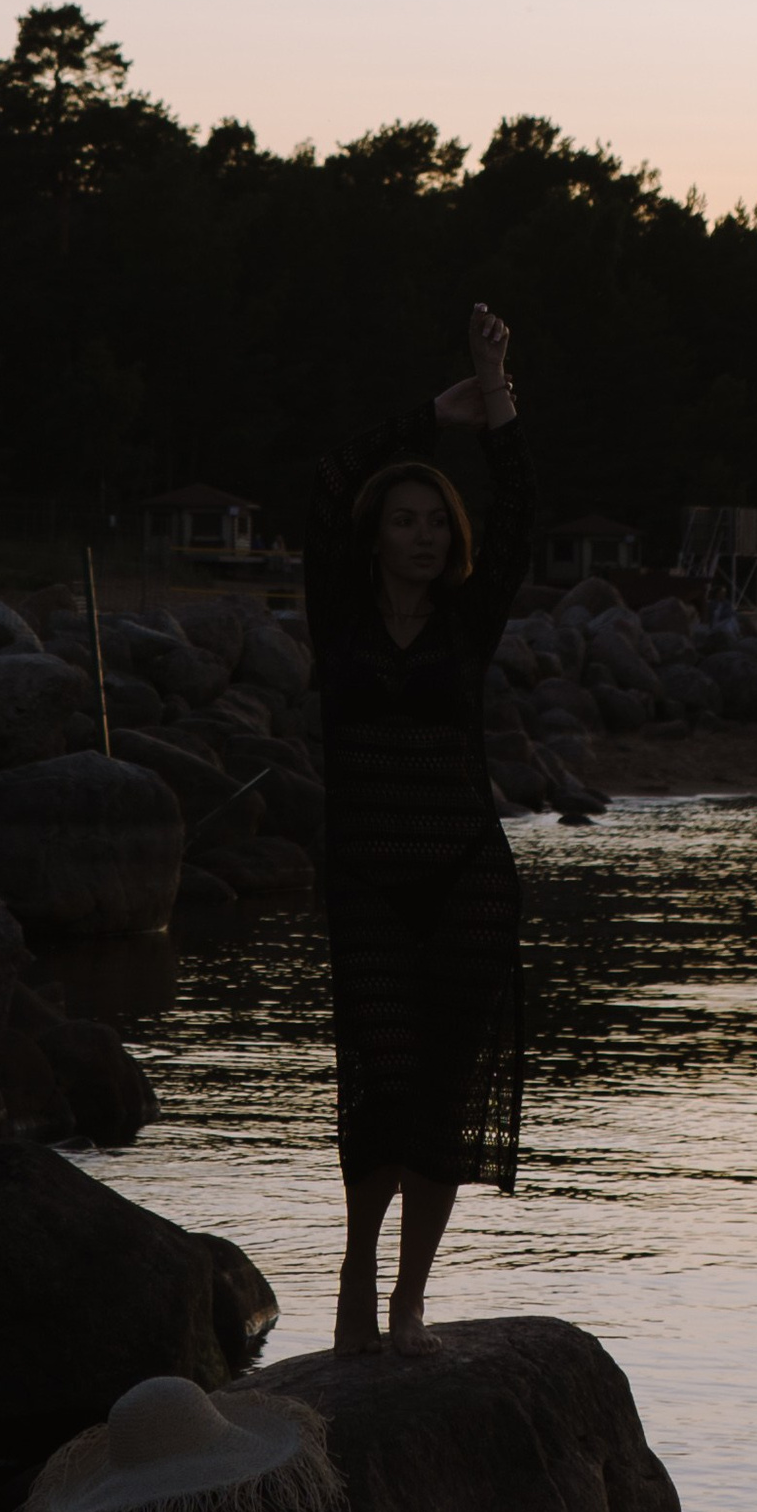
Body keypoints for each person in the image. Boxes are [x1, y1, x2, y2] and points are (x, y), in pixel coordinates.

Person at [303, 301, 529, 1360]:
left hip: (464, 877)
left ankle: (409, 1297)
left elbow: (523, 506)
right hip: (367, 880)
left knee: (445, 1093)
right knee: (378, 1082)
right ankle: (354, 1267)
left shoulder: (467, 623)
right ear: (375, 534)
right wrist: (428, 420)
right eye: (404, 519)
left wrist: (498, 402)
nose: (423, 533)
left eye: (437, 522)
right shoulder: (337, 612)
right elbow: (318, 481)